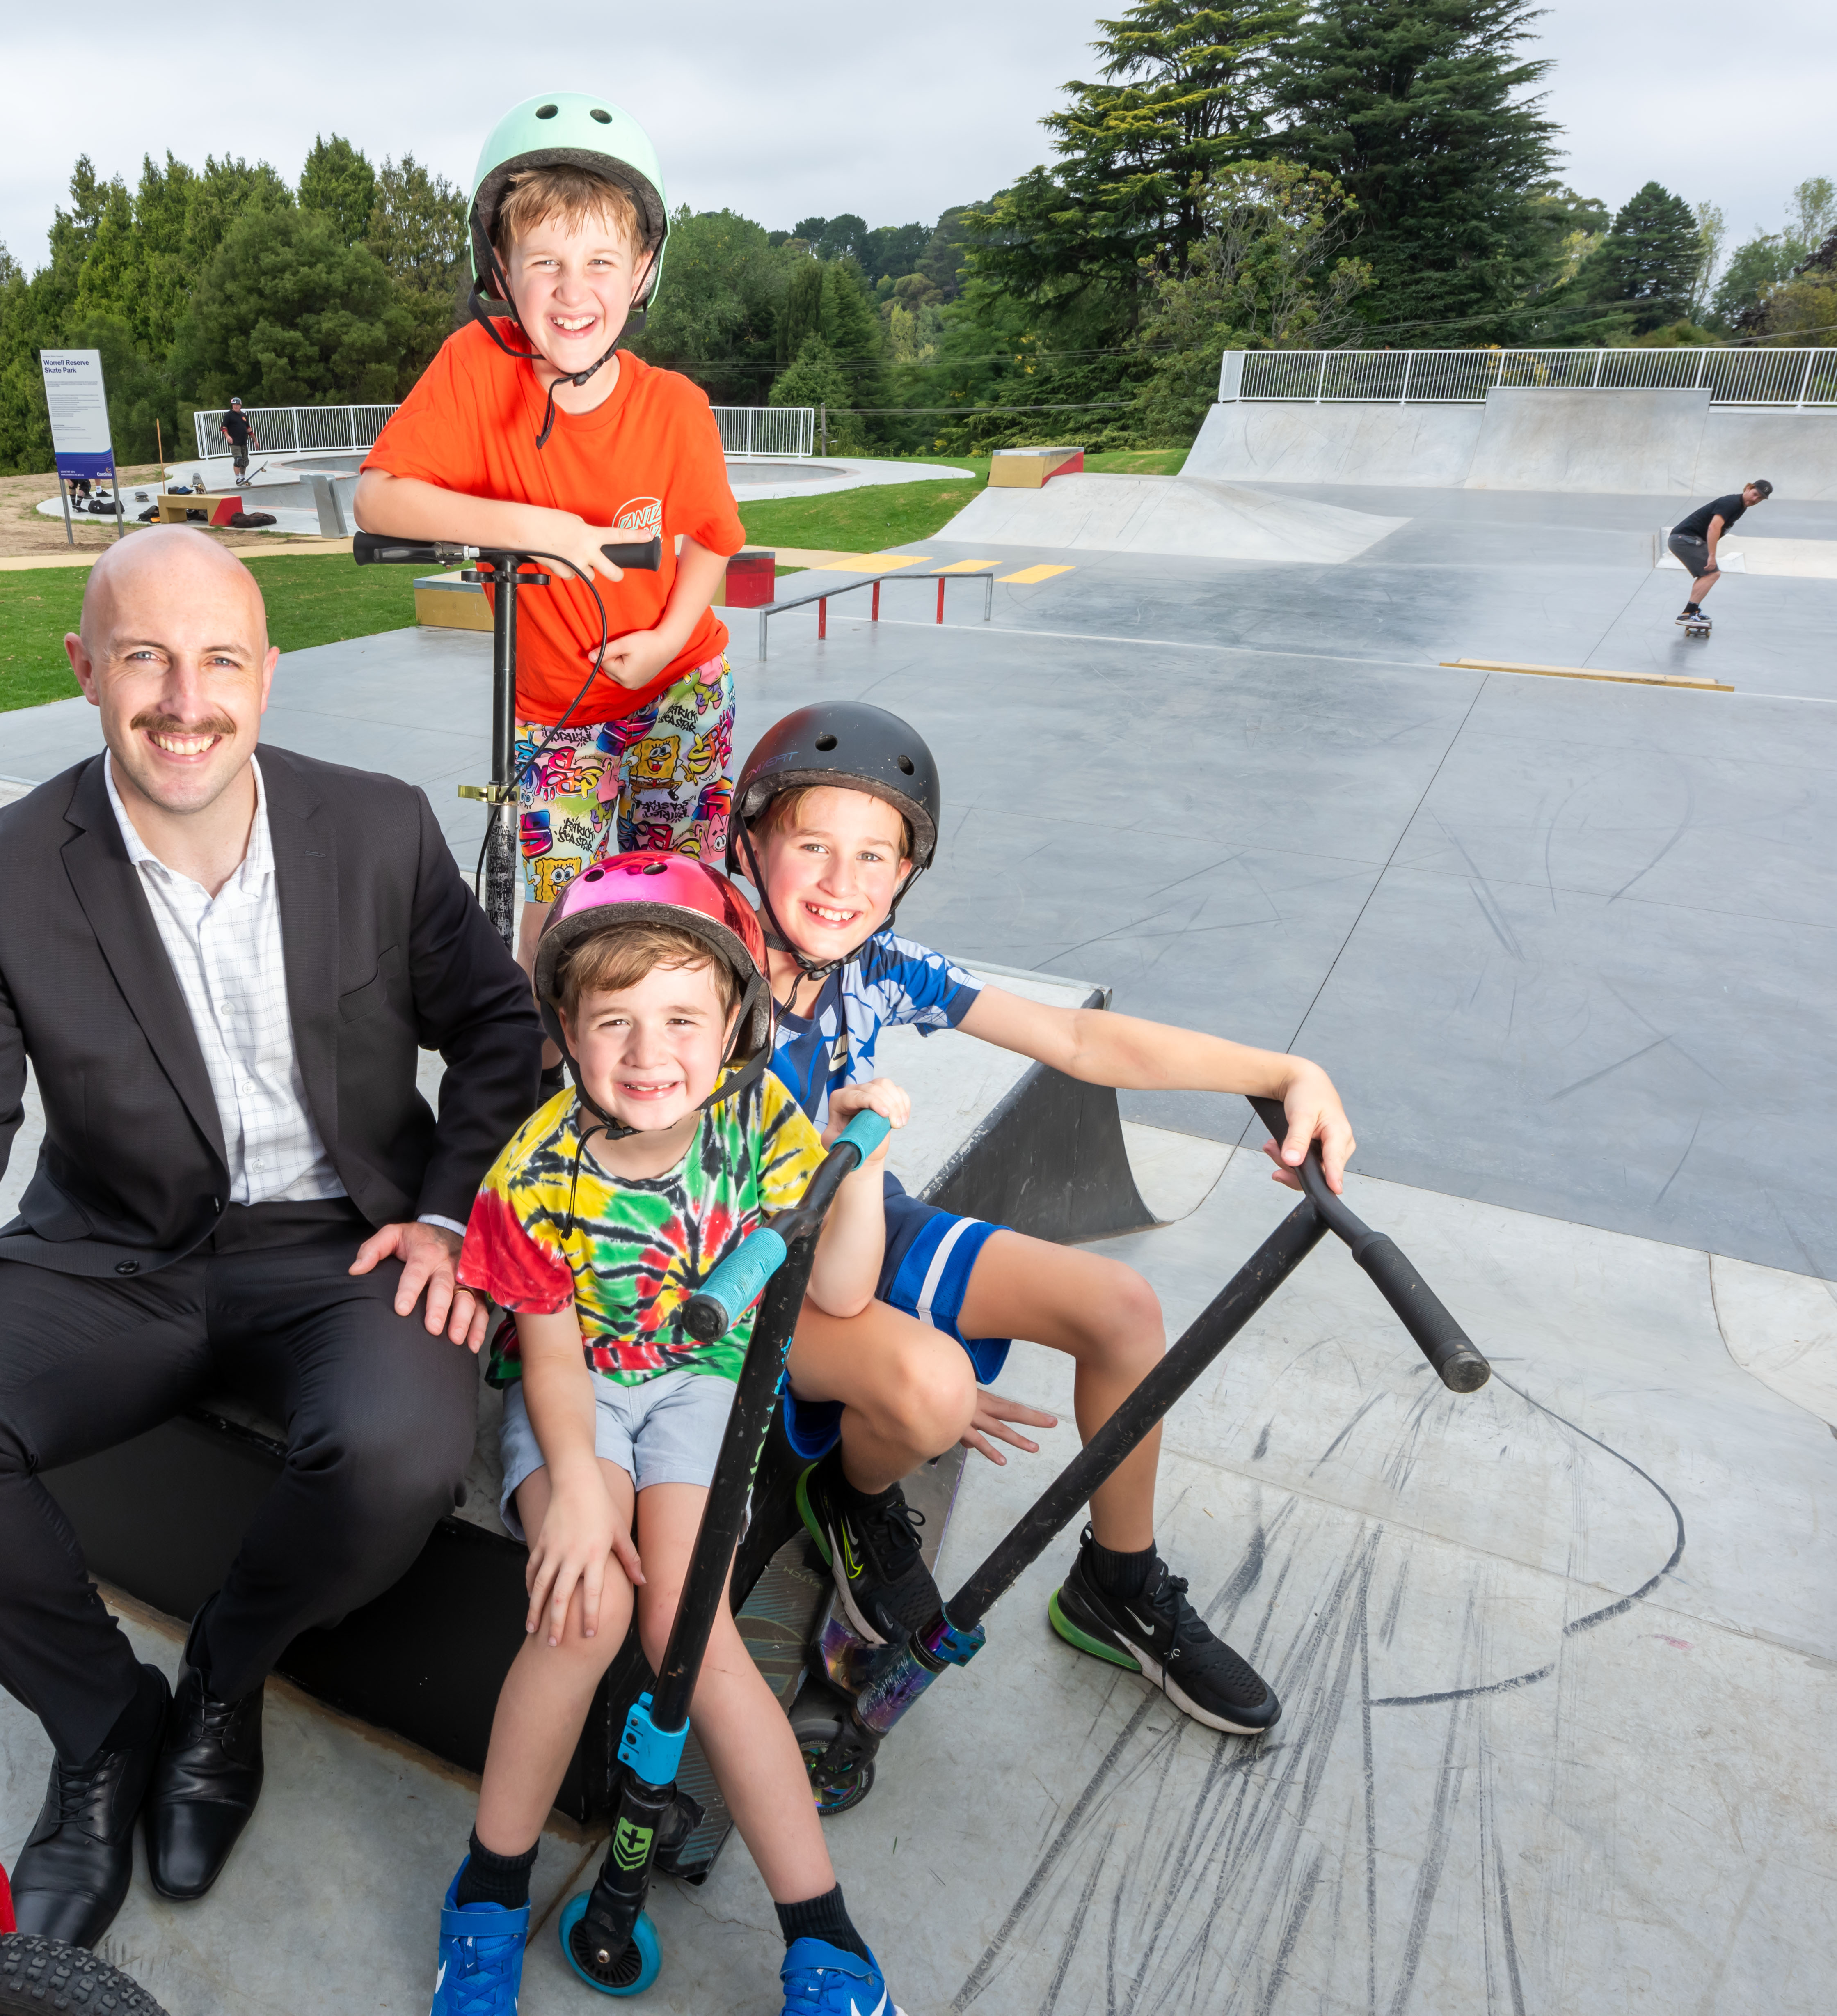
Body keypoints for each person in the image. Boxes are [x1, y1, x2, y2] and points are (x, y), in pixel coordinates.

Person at [0, 525, 541, 1944]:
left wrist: (448, 1214)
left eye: (219, 662)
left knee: (399, 1456)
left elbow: (500, 1029)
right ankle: (104, 1721)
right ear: (85, 669)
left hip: (344, 1245)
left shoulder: (374, 825)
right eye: (145, 659)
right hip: (112, 1252)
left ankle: (223, 1683)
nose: (184, 701)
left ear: (268, 674)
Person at [729, 702, 1356, 1739]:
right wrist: (900, 1354)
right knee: (930, 1387)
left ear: (905, 872)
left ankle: (1117, 1580)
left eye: (875, 856)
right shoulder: (712, 975)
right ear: (750, 841)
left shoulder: (873, 964)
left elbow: (1074, 1035)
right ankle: (853, 1494)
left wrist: (1282, 1068)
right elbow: (827, 1285)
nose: (844, 884)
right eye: (812, 847)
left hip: (850, 1214)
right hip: (744, 1272)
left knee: (1119, 1307)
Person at [433, 852, 910, 2016]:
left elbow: (839, 1290)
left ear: (734, 1019)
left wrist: (855, 1166)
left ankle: (824, 1938)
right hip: (580, 1387)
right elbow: (547, 1354)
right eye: (616, 1023)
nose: (651, 1056)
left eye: (683, 1019)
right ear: (568, 1028)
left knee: (688, 1625)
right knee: (583, 1607)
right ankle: (489, 1899)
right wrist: (582, 1493)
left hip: (703, 1388)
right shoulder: (535, 1172)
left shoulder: (762, 1124)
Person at [355, 92, 745, 945]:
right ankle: (534, 1061)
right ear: (499, 269)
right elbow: (379, 497)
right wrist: (546, 528)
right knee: (550, 906)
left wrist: (667, 636)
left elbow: (713, 542)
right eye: (545, 264)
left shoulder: (674, 407)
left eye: (602, 263)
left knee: (678, 895)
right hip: (554, 706)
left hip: (675, 684)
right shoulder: (475, 368)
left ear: (644, 270)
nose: (573, 293)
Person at [1670, 479, 1772, 625]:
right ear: (1749, 488)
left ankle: (1692, 611)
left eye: (1760, 498)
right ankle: (1688, 613)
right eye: (1755, 494)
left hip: (1686, 539)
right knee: (1712, 574)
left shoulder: (1740, 506)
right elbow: (1714, 528)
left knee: (1706, 575)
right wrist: (1711, 555)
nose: (1755, 499)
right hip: (1685, 539)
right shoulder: (1732, 503)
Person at [222, 397, 254, 481]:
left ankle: (243, 478)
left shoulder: (244, 416)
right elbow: (224, 427)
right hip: (234, 442)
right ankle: (237, 479)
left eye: (237, 405)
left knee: (245, 461)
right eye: (234, 405)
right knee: (238, 460)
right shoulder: (229, 415)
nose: (235, 406)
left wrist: (255, 441)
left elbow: (249, 429)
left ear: (241, 405)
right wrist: (227, 436)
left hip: (243, 442)